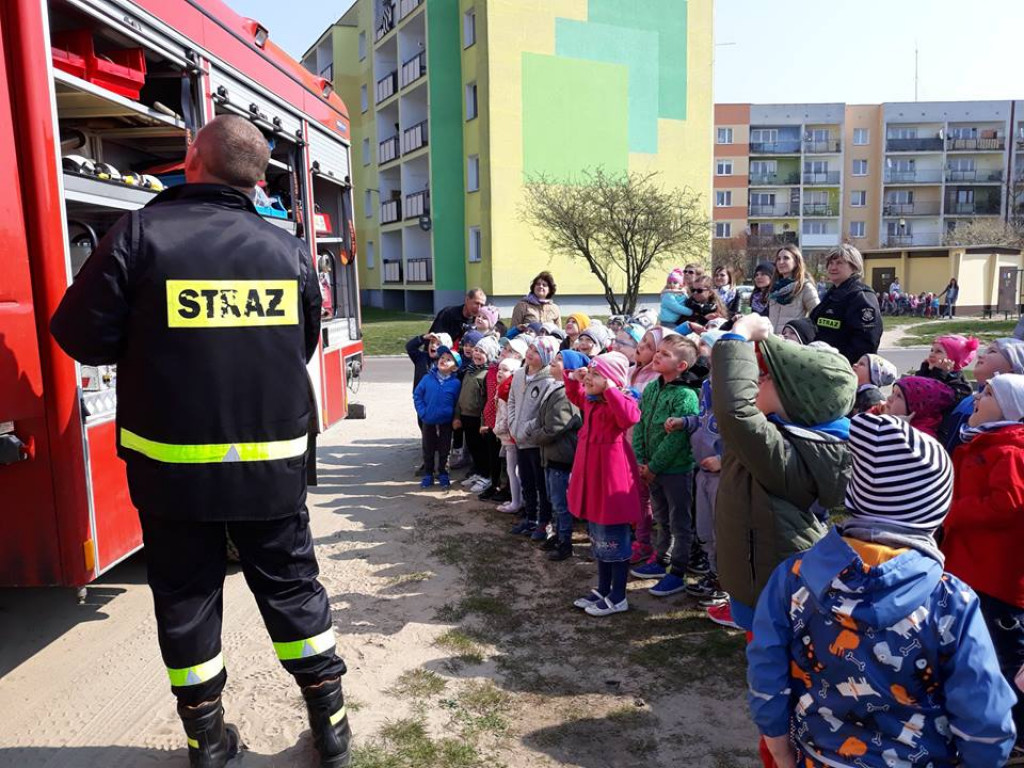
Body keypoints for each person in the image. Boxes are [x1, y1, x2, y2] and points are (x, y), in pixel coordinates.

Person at [49, 115, 350, 767]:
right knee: (294, 589)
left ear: (191, 158)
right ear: (257, 179)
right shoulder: (287, 247)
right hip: (271, 468)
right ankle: (332, 731)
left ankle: (208, 744)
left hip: (172, 471)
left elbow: (77, 335)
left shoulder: (140, 234)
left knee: (187, 599)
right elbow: (301, 342)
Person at [748, 413, 1017, 768]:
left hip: (817, 757)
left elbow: (766, 670)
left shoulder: (792, 576)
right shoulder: (950, 599)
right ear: (932, 510)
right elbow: (984, 713)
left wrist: (780, 749)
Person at [709, 314, 855, 632]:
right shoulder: (788, 432)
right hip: (760, 573)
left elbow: (735, 411)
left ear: (792, 398)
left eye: (763, 376)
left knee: (774, 662)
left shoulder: (789, 450)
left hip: (772, 580)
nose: (754, 382)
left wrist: (739, 337)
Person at [943, 374, 1024, 763]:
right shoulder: (985, 440)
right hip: (971, 567)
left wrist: (951, 514)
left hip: (997, 578)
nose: (977, 397)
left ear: (1011, 408)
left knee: (1004, 655)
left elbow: (1006, 503)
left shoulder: (1009, 450)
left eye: (989, 393)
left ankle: (1014, 728)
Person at [564, 352, 642, 616]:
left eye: (597, 375)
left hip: (610, 481)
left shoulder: (619, 400)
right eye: (591, 373)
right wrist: (574, 379)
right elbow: (576, 396)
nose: (590, 378)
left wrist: (610, 388)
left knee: (614, 539)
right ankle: (603, 587)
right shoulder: (592, 402)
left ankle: (619, 595)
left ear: (612, 380)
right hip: (593, 479)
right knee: (598, 537)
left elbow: (630, 417)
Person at [630, 334, 701, 598]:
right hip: (651, 468)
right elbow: (640, 423)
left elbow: (678, 438)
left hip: (675, 469)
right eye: (657, 351)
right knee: (661, 516)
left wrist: (655, 466)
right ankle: (661, 560)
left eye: (665, 354)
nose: (657, 356)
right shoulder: (651, 388)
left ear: (681, 366)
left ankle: (678, 572)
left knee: (680, 521)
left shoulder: (686, 396)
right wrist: (641, 461)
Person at [665, 330, 728, 607]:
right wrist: (685, 422)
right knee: (704, 530)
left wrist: (724, 460)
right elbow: (704, 420)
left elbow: (746, 436)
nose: (701, 347)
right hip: (703, 471)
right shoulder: (708, 384)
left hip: (723, 475)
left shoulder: (735, 389)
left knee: (721, 530)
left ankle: (727, 584)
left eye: (707, 344)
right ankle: (714, 575)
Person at [508, 337, 561, 537]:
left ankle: (543, 521)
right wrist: (513, 425)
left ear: (546, 357)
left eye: (537, 351)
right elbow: (512, 400)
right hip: (518, 437)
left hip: (535, 441)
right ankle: (530, 518)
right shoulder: (520, 374)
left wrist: (526, 429)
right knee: (526, 481)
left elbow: (542, 412)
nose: (530, 353)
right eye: (530, 348)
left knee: (541, 484)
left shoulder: (548, 380)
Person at [537, 350, 585, 560]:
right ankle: (557, 534)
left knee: (561, 503)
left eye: (559, 360)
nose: (553, 362)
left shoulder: (567, 394)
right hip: (552, 455)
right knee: (553, 499)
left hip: (562, 456)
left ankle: (565, 541)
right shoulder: (557, 388)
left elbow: (557, 425)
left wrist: (535, 436)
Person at [944, 338, 1024, 452]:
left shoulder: (1008, 451)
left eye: (992, 351)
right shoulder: (972, 398)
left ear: (1014, 365)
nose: (980, 356)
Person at [809, 244, 882, 364]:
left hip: (843, 369)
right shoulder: (832, 294)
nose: (833, 267)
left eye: (839, 263)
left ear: (854, 267)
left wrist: (840, 363)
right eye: (831, 263)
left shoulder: (861, 297)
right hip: (824, 364)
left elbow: (866, 342)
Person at [453, 335, 498, 493]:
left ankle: (486, 476)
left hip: (478, 418)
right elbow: (461, 394)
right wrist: (457, 415)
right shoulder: (469, 371)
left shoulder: (487, 374)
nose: (477, 354)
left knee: (481, 448)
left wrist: (484, 422)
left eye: (482, 352)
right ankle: (477, 471)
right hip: (465, 415)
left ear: (489, 356)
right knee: (472, 446)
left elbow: (487, 400)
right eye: (476, 350)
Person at [413, 347, 462, 489]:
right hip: (428, 420)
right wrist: (423, 412)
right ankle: (428, 473)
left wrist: (455, 418)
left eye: (448, 360)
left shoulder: (456, 383)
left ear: (454, 368)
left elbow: (457, 403)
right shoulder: (427, 378)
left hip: (446, 422)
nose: (444, 361)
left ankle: (443, 473)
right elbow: (418, 395)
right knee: (428, 448)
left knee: (444, 449)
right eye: (442, 358)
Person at [879, 375, 956, 440]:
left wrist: (896, 428)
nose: (889, 398)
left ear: (917, 408)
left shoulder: (919, 439)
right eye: (893, 392)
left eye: (899, 396)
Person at [493, 357, 524, 514]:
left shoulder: (506, 389)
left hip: (510, 437)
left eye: (505, 369)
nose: (500, 372)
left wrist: (496, 430)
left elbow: (505, 417)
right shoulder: (504, 387)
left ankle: (516, 502)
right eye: (499, 368)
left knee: (513, 470)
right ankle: (517, 499)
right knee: (513, 470)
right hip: (508, 436)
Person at [767, 244, 819, 334]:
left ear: (796, 262)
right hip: (773, 341)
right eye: (778, 259)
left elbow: (818, 315)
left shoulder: (805, 287)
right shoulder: (774, 289)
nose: (781, 262)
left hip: (793, 342)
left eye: (786, 258)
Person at [914, 334, 977, 402]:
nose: (931, 354)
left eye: (938, 351)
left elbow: (930, 397)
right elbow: (914, 392)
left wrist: (940, 373)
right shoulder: (930, 373)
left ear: (953, 360)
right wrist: (923, 371)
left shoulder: (961, 387)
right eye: (932, 350)